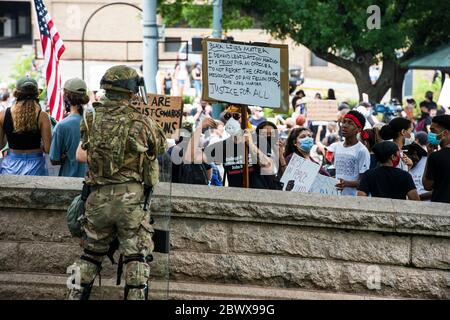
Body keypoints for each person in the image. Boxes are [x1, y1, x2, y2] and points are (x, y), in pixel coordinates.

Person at [65, 65, 166, 300]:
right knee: (136, 257)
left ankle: (72, 294)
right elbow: (160, 146)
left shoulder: (89, 118)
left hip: (96, 198)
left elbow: (85, 149)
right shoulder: (141, 122)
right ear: (131, 91)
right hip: (130, 200)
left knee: (89, 255)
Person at [193, 105, 273, 188]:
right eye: (228, 116)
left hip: (259, 196)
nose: (231, 120)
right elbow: (193, 157)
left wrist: (251, 145)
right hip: (236, 196)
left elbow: (267, 166)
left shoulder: (259, 140)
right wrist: (199, 128)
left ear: (246, 119)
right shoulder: (222, 146)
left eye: (236, 116)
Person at [0, 77, 51, 176]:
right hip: (36, 167)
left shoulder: (2, 115)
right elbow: (48, 148)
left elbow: (0, 145)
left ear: (16, 94)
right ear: (36, 94)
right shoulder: (42, 116)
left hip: (10, 167)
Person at [49, 78, 89, 177]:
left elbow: (54, 159)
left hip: (69, 179)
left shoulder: (62, 125)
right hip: (91, 179)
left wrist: (66, 155)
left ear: (66, 96)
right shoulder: (95, 119)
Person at [333, 110, 371, 196]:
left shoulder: (361, 150)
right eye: (344, 122)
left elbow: (364, 182)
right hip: (336, 197)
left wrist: (346, 183)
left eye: (350, 123)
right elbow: (337, 173)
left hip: (353, 199)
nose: (344, 126)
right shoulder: (338, 147)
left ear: (359, 129)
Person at [423, 115, 450, 203]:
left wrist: (429, 155)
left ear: (445, 134)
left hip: (440, 209)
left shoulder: (436, 157)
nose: (430, 134)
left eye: (433, 131)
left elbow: (427, 185)